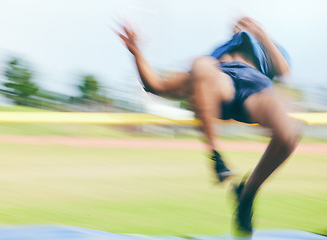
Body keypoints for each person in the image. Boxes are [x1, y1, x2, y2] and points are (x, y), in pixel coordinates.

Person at [115, 17, 300, 236]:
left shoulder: (265, 50)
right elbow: (156, 85)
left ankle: (247, 193)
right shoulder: (212, 60)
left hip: (256, 88)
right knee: (201, 64)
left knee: (290, 133)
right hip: (221, 83)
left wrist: (259, 32)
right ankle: (216, 156)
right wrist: (136, 52)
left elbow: (283, 70)